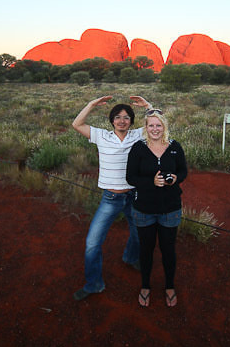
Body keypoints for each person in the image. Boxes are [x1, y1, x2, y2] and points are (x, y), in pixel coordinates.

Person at [72, 94, 153, 301]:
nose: (122, 120)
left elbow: (156, 124)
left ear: (131, 121)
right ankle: (94, 284)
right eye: (118, 117)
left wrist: (148, 106)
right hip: (110, 198)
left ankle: (131, 257)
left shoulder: (138, 135)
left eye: (126, 117)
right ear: (112, 120)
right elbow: (77, 123)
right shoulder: (101, 136)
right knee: (92, 242)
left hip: (134, 196)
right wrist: (91, 103)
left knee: (138, 235)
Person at [126, 109, 187, 308]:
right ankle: (145, 286)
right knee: (146, 250)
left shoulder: (175, 146)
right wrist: (151, 181)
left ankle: (169, 286)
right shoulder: (138, 148)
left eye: (158, 125)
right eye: (151, 125)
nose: (155, 129)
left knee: (168, 250)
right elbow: (131, 177)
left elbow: (183, 170)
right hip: (144, 209)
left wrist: (176, 178)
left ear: (164, 127)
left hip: (170, 209)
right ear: (145, 127)